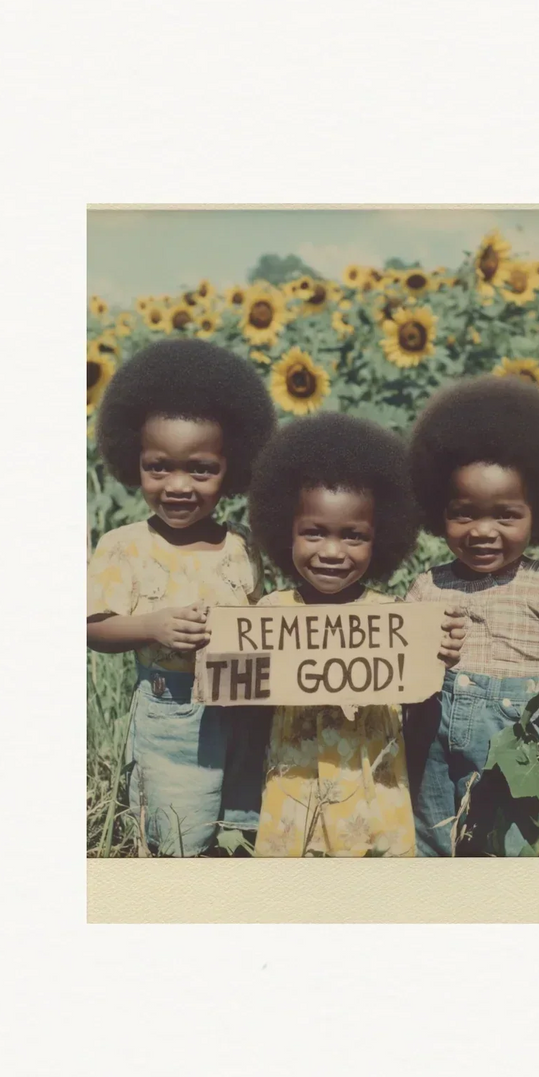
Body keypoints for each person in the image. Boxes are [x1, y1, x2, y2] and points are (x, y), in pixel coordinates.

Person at [87, 338, 275, 856]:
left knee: (243, 827)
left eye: (201, 469)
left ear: (231, 469)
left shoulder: (242, 544)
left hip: (244, 705)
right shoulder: (123, 546)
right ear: (134, 461)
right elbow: (92, 627)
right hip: (172, 714)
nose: (178, 486)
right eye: (158, 468)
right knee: (177, 834)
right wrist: (152, 626)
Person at [246, 414, 464, 858]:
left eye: (353, 537)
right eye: (314, 533)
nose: (331, 552)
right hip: (295, 791)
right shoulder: (271, 613)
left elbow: (418, 701)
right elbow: (245, 698)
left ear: (380, 538)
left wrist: (437, 651)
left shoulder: (395, 616)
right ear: (285, 529)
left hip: (373, 793)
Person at [404, 376, 539, 856]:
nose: (482, 531)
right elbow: (399, 666)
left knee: (507, 847)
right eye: (464, 513)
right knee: (430, 839)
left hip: (516, 748)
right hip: (431, 745)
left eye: (505, 516)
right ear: (439, 512)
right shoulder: (427, 586)